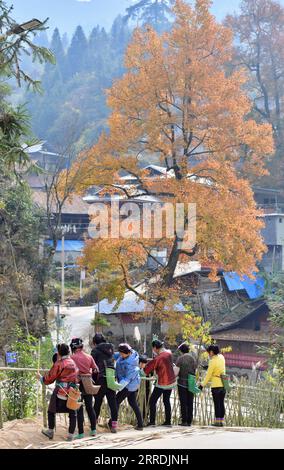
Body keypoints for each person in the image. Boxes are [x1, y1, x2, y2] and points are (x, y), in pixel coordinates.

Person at [38, 343, 79, 441]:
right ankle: (70, 435)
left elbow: (49, 378)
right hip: (72, 391)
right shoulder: (73, 363)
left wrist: (40, 378)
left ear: (59, 353)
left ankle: (50, 431)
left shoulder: (59, 364)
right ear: (68, 351)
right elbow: (77, 377)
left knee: (51, 410)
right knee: (72, 412)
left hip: (60, 390)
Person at [143, 339, 176, 427]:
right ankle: (168, 421)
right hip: (171, 381)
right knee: (166, 401)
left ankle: (152, 421)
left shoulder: (158, 358)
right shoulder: (169, 353)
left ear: (155, 348)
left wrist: (141, 372)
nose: (153, 350)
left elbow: (148, 369)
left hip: (162, 382)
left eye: (153, 349)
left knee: (152, 401)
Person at [70, 337, 98, 439]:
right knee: (90, 407)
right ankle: (93, 430)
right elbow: (95, 370)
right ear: (81, 346)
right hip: (88, 382)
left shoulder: (72, 358)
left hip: (77, 384)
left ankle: (81, 433)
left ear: (73, 347)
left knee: (79, 408)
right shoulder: (89, 357)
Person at [91, 333, 118, 433]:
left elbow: (92, 365)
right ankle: (114, 426)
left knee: (97, 402)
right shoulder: (111, 348)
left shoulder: (95, 351)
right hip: (111, 377)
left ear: (94, 342)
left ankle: (93, 426)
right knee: (112, 402)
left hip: (100, 378)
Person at [115, 343, 144, 431]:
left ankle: (112, 422)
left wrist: (117, 387)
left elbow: (127, 379)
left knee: (116, 401)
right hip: (132, 384)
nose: (120, 355)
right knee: (132, 403)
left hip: (128, 385)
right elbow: (116, 355)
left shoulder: (131, 364)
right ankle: (140, 424)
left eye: (121, 353)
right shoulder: (129, 355)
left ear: (127, 353)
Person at [199, 344, 226, 427]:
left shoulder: (212, 361)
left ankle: (217, 422)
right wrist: (208, 367)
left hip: (216, 385)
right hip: (223, 384)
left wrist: (202, 385)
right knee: (221, 403)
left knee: (217, 404)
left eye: (208, 352)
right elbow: (218, 367)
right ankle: (221, 421)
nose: (208, 354)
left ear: (211, 352)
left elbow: (208, 375)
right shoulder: (222, 357)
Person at [175, 343, 197, 426]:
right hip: (191, 383)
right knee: (190, 402)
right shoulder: (193, 358)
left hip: (182, 383)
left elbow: (176, 372)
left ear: (181, 351)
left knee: (183, 402)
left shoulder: (180, 359)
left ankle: (184, 420)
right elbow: (195, 369)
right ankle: (189, 421)